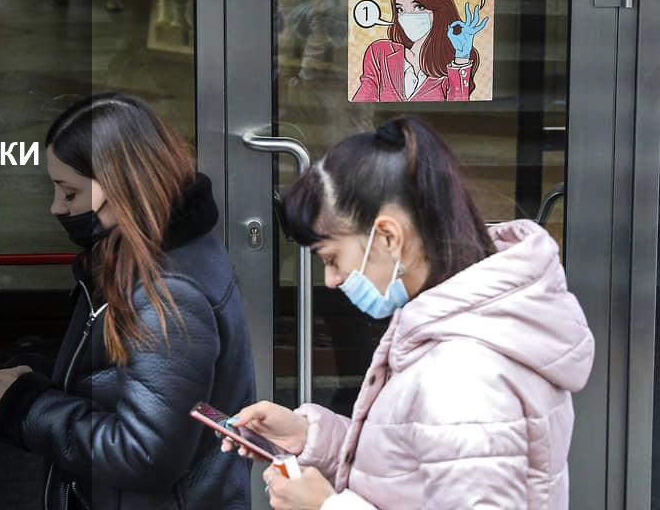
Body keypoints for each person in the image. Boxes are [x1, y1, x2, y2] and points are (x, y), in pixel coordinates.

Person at [223, 116, 594, 509]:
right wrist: (309, 437)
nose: (330, 280)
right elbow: (416, 463)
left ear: (388, 237)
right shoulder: (466, 329)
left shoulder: (463, 376)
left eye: (331, 258)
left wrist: (326, 506)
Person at [0, 93, 255, 509]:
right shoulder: (135, 253)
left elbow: (146, 454)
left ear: (121, 188)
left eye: (70, 193)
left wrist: (26, 410)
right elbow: (130, 375)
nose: (56, 208)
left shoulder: (169, 292)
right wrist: (43, 381)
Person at [352, 0, 488, 102]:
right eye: (400, 9)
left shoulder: (450, 65)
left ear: (439, 10)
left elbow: (459, 108)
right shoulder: (380, 52)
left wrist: (462, 57)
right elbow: (363, 102)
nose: (408, 16)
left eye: (419, 7)